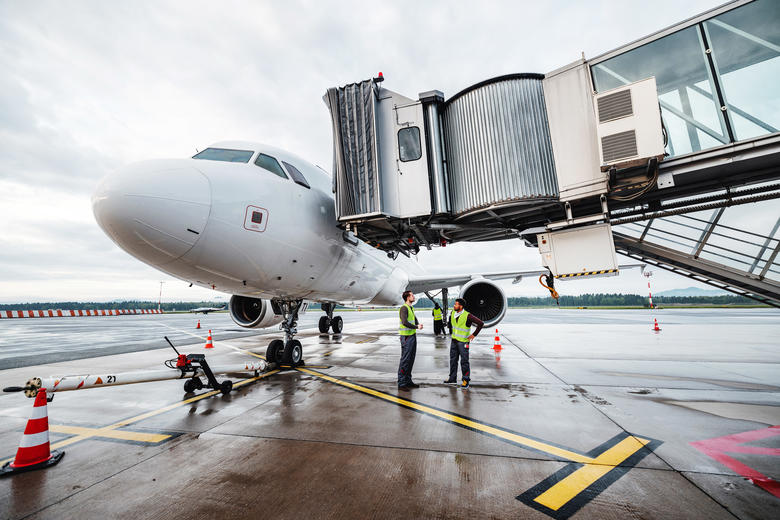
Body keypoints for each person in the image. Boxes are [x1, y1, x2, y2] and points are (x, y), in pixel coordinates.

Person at [443, 298, 483, 389]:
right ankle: (452, 379)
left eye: (456, 304)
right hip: (454, 341)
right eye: (454, 304)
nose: (454, 306)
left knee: (464, 362)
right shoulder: (453, 313)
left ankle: (466, 380)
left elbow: (481, 323)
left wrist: (474, 335)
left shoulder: (467, 315)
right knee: (453, 360)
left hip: (463, 342)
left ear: (461, 306)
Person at [398, 290, 423, 390]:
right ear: (408, 297)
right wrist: (417, 326)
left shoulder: (410, 308)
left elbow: (414, 319)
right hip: (406, 337)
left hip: (412, 336)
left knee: (411, 360)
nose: (414, 296)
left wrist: (418, 324)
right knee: (405, 360)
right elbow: (404, 322)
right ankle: (401, 383)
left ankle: (408, 380)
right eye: (412, 295)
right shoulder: (404, 308)